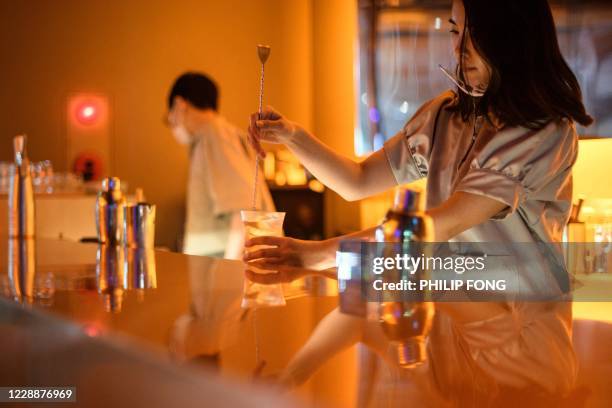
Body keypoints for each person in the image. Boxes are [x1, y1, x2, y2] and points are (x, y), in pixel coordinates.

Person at [245, 0, 593, 405]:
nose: (459, 49)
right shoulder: (444, 115)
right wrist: (293, 137)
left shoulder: (543, 131)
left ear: (514, 38)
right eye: (453, 31)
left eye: (473, 34)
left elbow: (431, 228)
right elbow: (357, 181)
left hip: (527, 342)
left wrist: (313, 254)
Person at [166, 72, 275, 259]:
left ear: (179, 104)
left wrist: (229, 271)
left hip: (223, 272)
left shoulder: (215, 135)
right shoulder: (212, 137)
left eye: (168, 118)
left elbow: (243, 210)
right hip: (213, 270)